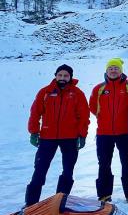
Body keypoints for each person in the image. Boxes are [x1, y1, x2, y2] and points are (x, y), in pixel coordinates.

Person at [25, 64, 89, 205]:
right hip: (47, 137)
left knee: (68, 170)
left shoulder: (77, 93)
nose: (62, 78)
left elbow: (84, 116)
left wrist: (82, 135)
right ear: (55, 76)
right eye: (60, 75)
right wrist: (34, 132)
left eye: (66, 75)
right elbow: (35, 113)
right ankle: (30, 204)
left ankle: (60, 202)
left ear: (70, 77)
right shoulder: (45, 92)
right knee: (40, 170)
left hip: (70, 138)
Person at [90, 58, 128, 203]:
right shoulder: (99, 88)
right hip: (104, 133)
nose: (113, 70)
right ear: (106, 71)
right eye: (110, 68)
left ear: (121, 71)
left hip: (125, 133)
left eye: (116, 68)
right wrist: (104, 118)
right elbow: (93, 107)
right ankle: (104, 195)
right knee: (104, 163)